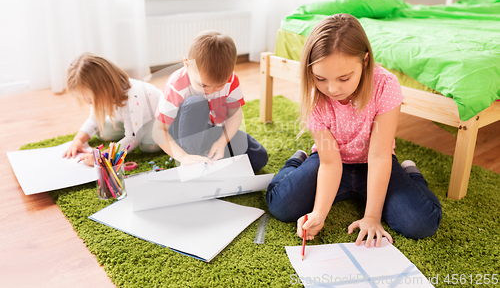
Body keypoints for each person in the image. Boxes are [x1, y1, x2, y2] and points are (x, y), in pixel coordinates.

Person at [266, 14, 442, 247]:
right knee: (281, 205)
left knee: (421, 222)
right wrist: (319, 213)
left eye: (344, 78)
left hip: (376, 163)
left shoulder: (385, 86)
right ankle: (296, 162)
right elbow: (329, 164)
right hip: (330, 162)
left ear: (365, 61)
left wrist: (372, 217)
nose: (332, 89)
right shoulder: (315, 98)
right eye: (320, 78)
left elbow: (379, 156)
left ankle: (412, 175)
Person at [153, 30, 268, 172]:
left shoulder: (231, 79)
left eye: (220, 85)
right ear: (187, 65)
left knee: (259, 158)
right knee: (197, 103)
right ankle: (192, 159)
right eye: (203, 85)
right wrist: (183, 157)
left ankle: (208, 157)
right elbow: (158, 130)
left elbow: (235, 115)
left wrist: (222, 142)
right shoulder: (176, 85)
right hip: (185, 134)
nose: (211, 92)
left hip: (215, 129)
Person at [62, 53, 163, 166]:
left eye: (89, 98)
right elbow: (93, 121)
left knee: (149, 146)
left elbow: (133, 138)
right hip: (131, 119)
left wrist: (104, 156)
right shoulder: (103, 95)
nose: (88, 102)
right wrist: (78, 140)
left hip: (157, 118)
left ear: (104, 88)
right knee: (103, 132)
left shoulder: (132, 97)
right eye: (84, 98)